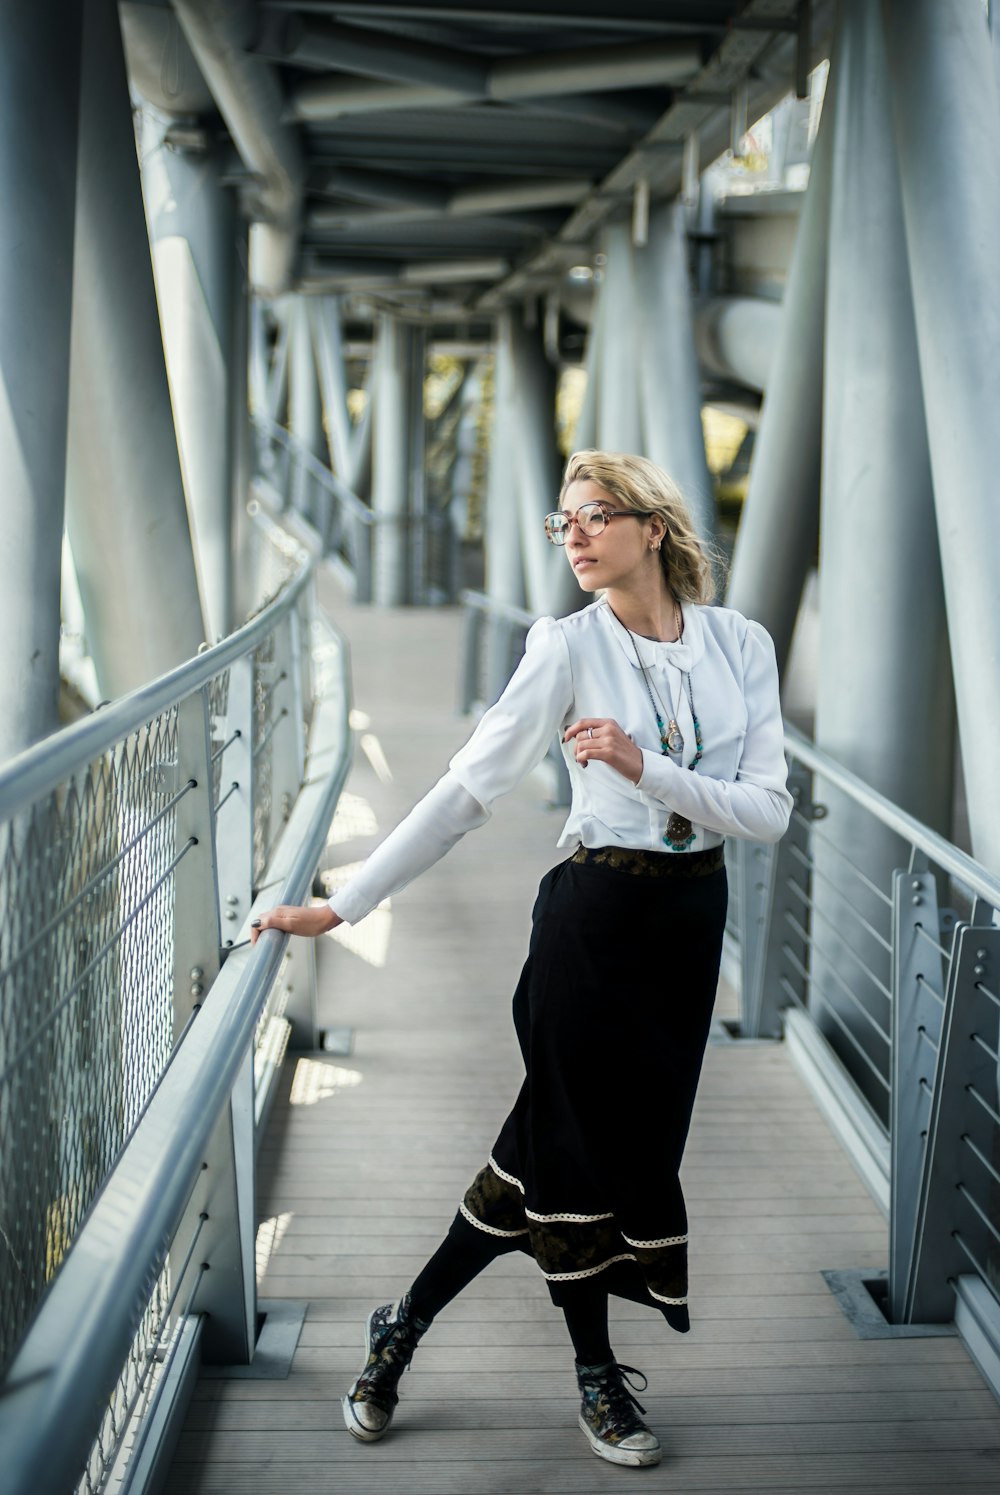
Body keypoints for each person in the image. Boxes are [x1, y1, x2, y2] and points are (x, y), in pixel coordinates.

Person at [252, 449, 793, 1469]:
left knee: (555, 1157)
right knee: (576, 1157)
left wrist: (646, 766)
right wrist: (347, 900)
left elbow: (765, 812)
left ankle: (399, 1326)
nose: (573, 535)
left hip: (687, 925)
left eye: (594, 515)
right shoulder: (564, 646)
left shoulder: (739, 645)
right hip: (590, 922)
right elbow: (465, 791)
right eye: (561, 522)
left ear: (655, 527)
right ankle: (597, 1382)